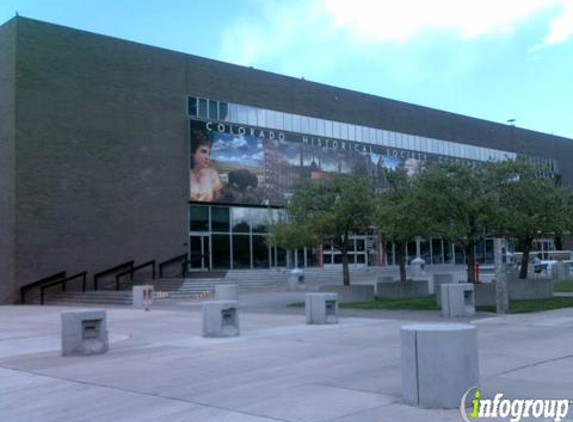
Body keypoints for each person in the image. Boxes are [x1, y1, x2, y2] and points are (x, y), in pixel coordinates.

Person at [190, 132, 223, 202]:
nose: (207, 157)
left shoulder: (212, 174)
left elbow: (218, 199)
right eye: (203, 152)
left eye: (209, 153)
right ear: (193, 153)